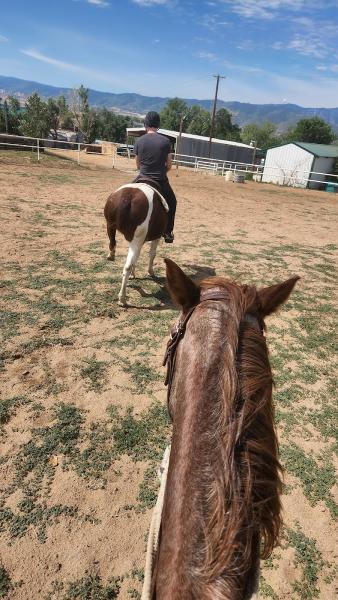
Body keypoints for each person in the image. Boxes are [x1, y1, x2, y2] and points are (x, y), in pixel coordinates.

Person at [133, 111, 177, 243]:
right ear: (158, 125)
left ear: (145, 124)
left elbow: (138, 165)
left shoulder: (139, 141)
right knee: (172, 202)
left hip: (142, 177)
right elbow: (169, 166)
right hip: (160, 180)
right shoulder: (166, 142)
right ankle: (168, 232)